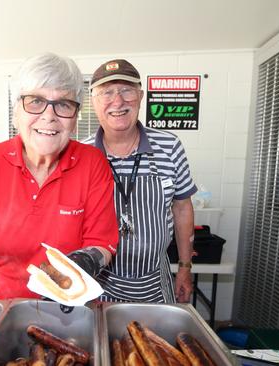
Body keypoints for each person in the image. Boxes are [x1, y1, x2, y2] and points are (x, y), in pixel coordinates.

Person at [0, 53, 118, 301]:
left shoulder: (93, 163)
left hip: (69, 304)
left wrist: (86, 261)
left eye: (64, 104)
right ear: (16, 112)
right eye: (35, 101)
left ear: (75, 117)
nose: (49, 116)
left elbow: (101, 241)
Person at [83, 59, 198, 303]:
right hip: (96, 283)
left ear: (141, 95)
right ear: (93, 102)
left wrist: (185, 267)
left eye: (126, 90)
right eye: (107, 92)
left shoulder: (170, 146)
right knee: (101, 341)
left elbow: (182, 208)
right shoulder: (81, 154)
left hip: (155, 280)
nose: (118, 101)